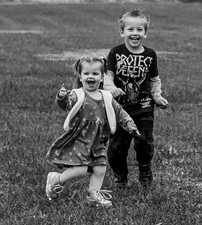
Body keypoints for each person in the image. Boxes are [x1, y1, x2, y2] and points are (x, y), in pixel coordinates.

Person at [45, 55, 141, 206]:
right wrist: (62, 97)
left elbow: (120, 112)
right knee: (81, 170)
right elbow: (65, 104)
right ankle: (56, 179)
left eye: (95, 74)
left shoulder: (107, 96)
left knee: (100, 169)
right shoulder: (77, 94)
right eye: (87, 73)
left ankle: (93, 194)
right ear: (80, 76)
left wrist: (130, 124)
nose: (91, 76)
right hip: (80, 138)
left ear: (102, 77)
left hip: (98, 140)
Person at [106, 9, 169, 188]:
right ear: (122, 32)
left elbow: (154, 79)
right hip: (119, 109)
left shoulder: (150, 54)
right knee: (116, 149)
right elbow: (107, 76)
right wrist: (111, 89)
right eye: (130, 29)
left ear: (145, 33)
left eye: (139, 30)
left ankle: (144, 168)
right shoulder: (115, 52)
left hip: (144, 107)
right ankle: (121, 177)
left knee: (144, 143)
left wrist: (157, 96)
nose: (135, 33)